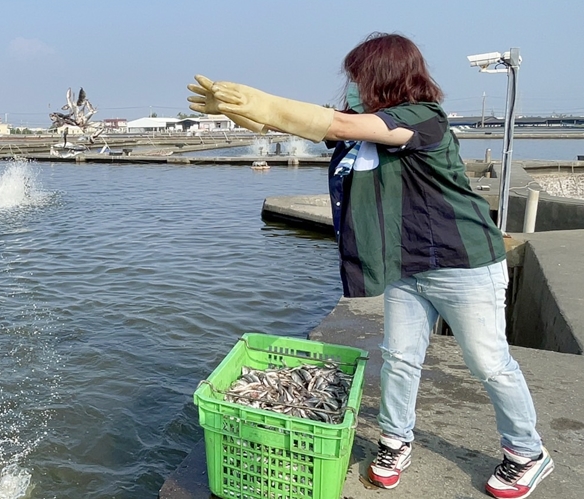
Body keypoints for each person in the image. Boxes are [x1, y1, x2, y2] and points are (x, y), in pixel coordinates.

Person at [187, 32, 553, 499]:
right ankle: (396, 442)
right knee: (400, 359)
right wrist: (242, 114)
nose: (352, 84)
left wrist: (268, 102)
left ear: (386, 77)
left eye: (359, 76)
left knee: (488, 363)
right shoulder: (364, 125)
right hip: (405, 264)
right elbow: (323, 128)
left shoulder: (424, 120)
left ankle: (527, 451)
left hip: (462, 262)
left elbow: (338, 126)